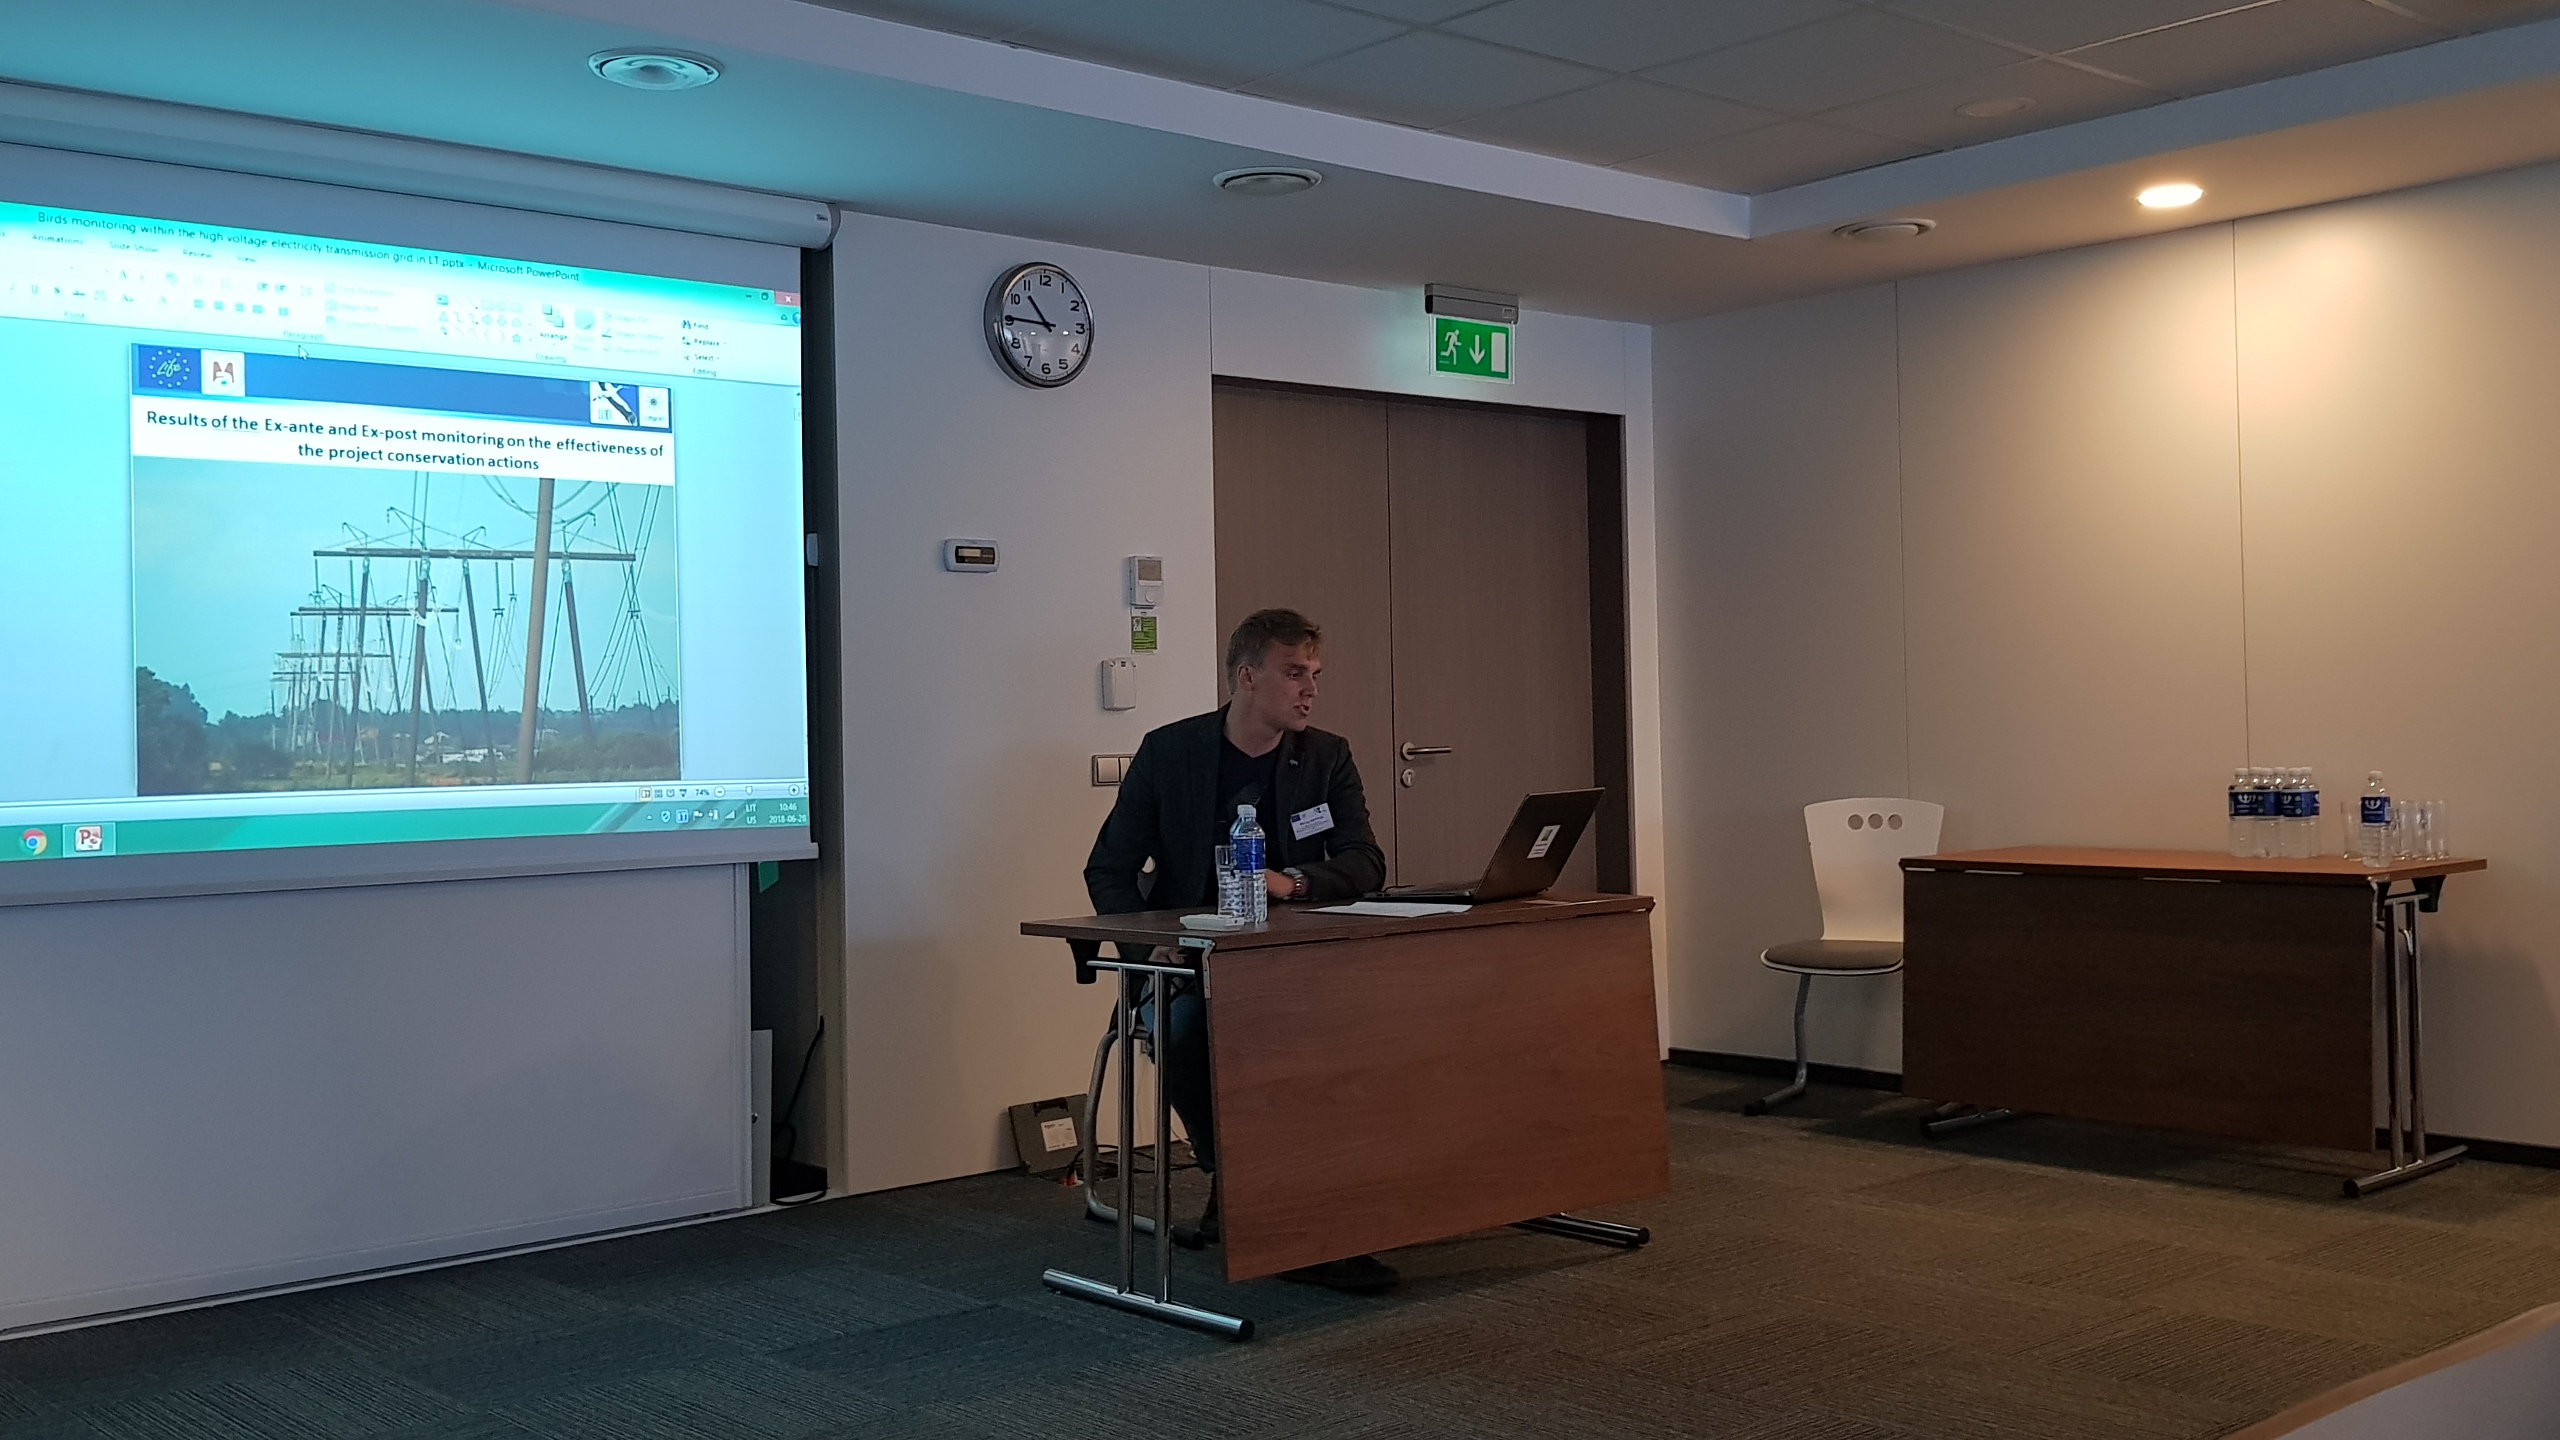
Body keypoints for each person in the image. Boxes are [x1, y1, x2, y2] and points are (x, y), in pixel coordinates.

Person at [1081, 607, 1395, 1293]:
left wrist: (1296, 881)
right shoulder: (1171, 753)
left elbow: (1365, 862)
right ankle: (1246, 1184)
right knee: (1186, 1028)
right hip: (1188, 967)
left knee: (1369, 1024)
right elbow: (1108, 869)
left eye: (1315, 674)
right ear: (1247, 678)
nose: (1310, 690)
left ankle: (1332, 1200)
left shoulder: (1326, 756)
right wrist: (1150, 943)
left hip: (1297, 965)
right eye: (1294, 673)